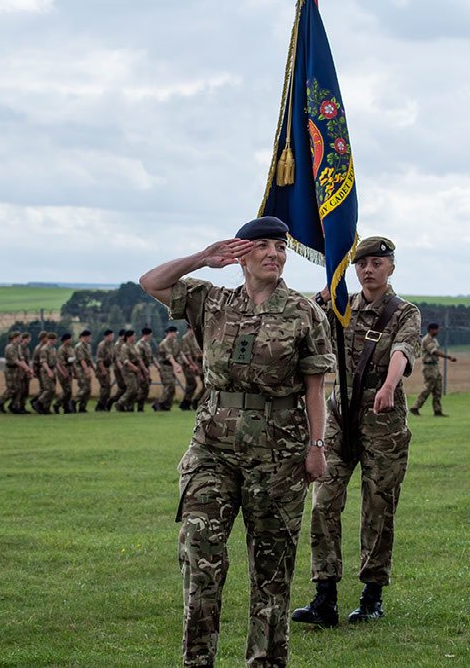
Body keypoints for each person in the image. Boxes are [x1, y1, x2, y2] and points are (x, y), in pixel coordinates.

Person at [140, 217, 333, 668]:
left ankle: (265, 661)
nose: (274, 254)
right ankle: (197, 660)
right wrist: (202, 259)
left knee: (272, 570)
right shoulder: (212, 301)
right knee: (199, 551)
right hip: (212, 447)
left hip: (278, 452)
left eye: (280, 248)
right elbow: (151, 282)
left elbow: (314, 388)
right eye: (263, 246)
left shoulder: (305, 313)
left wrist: (317, 446)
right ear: (241, 253)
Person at [293, 236, 421, 629]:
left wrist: (388, 385)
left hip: (382, 420)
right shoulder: (341, 306)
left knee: (378, 507)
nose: (368, 270)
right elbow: (305, 328)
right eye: (362, 263)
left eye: (377, 263)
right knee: (323, 502)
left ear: (391, 268)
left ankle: (371, 594)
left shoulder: (404, 312)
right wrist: (321, 299)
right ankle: (324, 595)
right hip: (339, 416)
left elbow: (402, 351)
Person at [410, 322, 456, 417]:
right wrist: (448, 357)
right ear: (431, 330)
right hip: (429, 367)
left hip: (435, 366)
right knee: (428, 388)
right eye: (435, 329)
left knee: (438, 389)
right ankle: (415, 407)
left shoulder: (433, 340)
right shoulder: (427, 340)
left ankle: (437, 410)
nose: (437, 331)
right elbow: (434, 352)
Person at [114, 330, 143, 412]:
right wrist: (134, 367)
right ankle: (120, 402)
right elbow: (125, 360)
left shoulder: (134, 346)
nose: (135, 337)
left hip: (136, 369)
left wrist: (141, 369)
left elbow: (138, 358)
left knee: (136, 390)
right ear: (129, 337)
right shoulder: (124, 347)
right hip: (128, 370)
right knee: (132, 389)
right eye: (133, 335)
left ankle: (130, 406)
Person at [156, 326, 182, 410]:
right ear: (171, 333)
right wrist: (176, 366)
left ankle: (167, 405)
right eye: (175, 333)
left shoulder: (174, 343)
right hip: (165, 366)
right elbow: (169, 356)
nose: (176, 334)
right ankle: (159, 404)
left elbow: (177, 355)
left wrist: (179, 365)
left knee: (172, 387)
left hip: (170, 367)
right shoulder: (164, 343)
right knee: (169, 385)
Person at [179, 327, 204, 410]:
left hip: (197, 363)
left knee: (204, 384)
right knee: (192, 384)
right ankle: (187, 402)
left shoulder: (195, 337)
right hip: (189, 364)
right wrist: (193, 365)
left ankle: (195, 401)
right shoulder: (185, 338)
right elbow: (187, 354)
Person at [74, 330, 95, 413]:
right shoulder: (79, 346)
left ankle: (82, 407)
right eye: (89, 337)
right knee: (84, 388)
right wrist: (86, 370)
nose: (90, 338)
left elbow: (89, 359)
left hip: (87, 368)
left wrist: (93, 369)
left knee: (88, 389)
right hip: (81, 369)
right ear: (84, 337)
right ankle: (73, 402)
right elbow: (81, 359)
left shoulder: (88, 346)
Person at [94, 330, 116, 412]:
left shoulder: (111, 345)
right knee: (104, 388)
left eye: (113, 336)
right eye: (111, 336)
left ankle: (102, 405)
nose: (112, 337)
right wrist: (103, 370)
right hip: (102, 368)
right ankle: (99, 406)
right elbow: (99, 359)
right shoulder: (101, 345)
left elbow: (113, 357)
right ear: (107, 336)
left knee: (107, 389)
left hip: (107, 368)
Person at [136, 327, 156, 412]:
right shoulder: (139, 345)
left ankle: (141, 406)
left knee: (146, 388)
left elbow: (151, 357)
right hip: (141, 368)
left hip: (146, 368)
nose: (151, 337)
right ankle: (136, 405)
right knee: (141, 388)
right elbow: (139, 359)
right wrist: (143, 370)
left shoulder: (147, 345)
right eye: (150, 335)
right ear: (146, 335)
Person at [55, 333, 75, 413]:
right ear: (66, 340)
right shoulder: (61, 349)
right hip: (63, 370)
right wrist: (65, 373)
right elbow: (61, 363)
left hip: (69, 369)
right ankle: (57, 404)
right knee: (67, 390)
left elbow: (73, 360)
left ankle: (66, 407)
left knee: (69, 391)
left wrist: (74, 371)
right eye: (70, 339)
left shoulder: (70, 348)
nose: (71, 340)